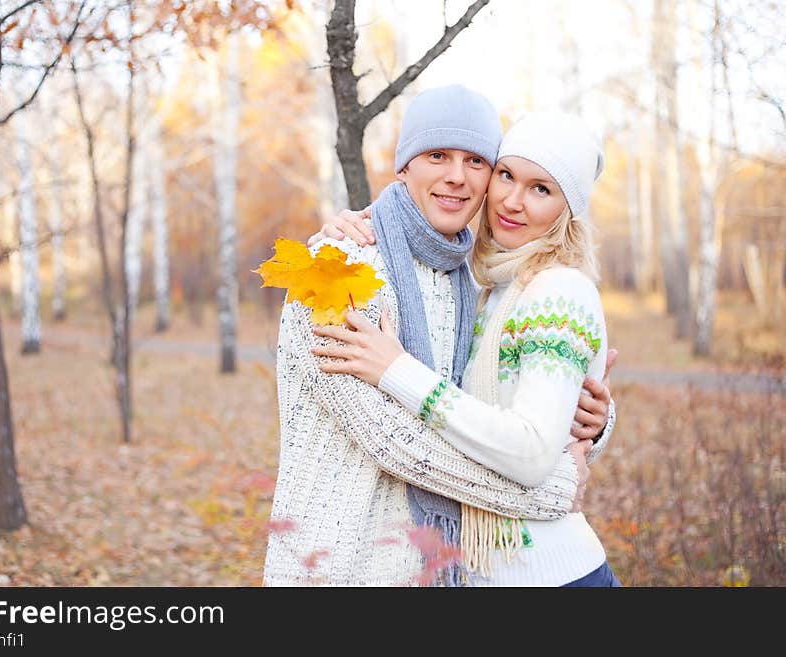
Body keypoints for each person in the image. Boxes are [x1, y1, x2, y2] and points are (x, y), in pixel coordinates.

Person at [262, 85, 615, 586]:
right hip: (336, 569)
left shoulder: (469, 283)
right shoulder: (334, 268)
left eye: (476, 160)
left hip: (435, 573)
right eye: (436, 155)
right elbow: (393, 440)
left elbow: (488, 415)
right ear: (403, 165)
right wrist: (549, 488)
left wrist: (592, 420)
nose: (456, 175)